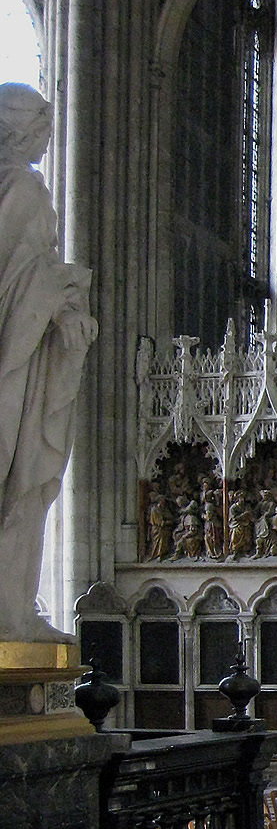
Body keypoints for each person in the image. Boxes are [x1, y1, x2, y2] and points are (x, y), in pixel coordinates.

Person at [0, 83, 98, 641]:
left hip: (23, 346)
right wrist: (62, 302)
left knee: (24, 479)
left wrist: (60, 303)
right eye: (41, 128)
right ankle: (10, 610)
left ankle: (15, 605)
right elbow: (22, 280)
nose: (46, 139)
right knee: (22, 476)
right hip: (15, 356)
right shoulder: (24, 189)